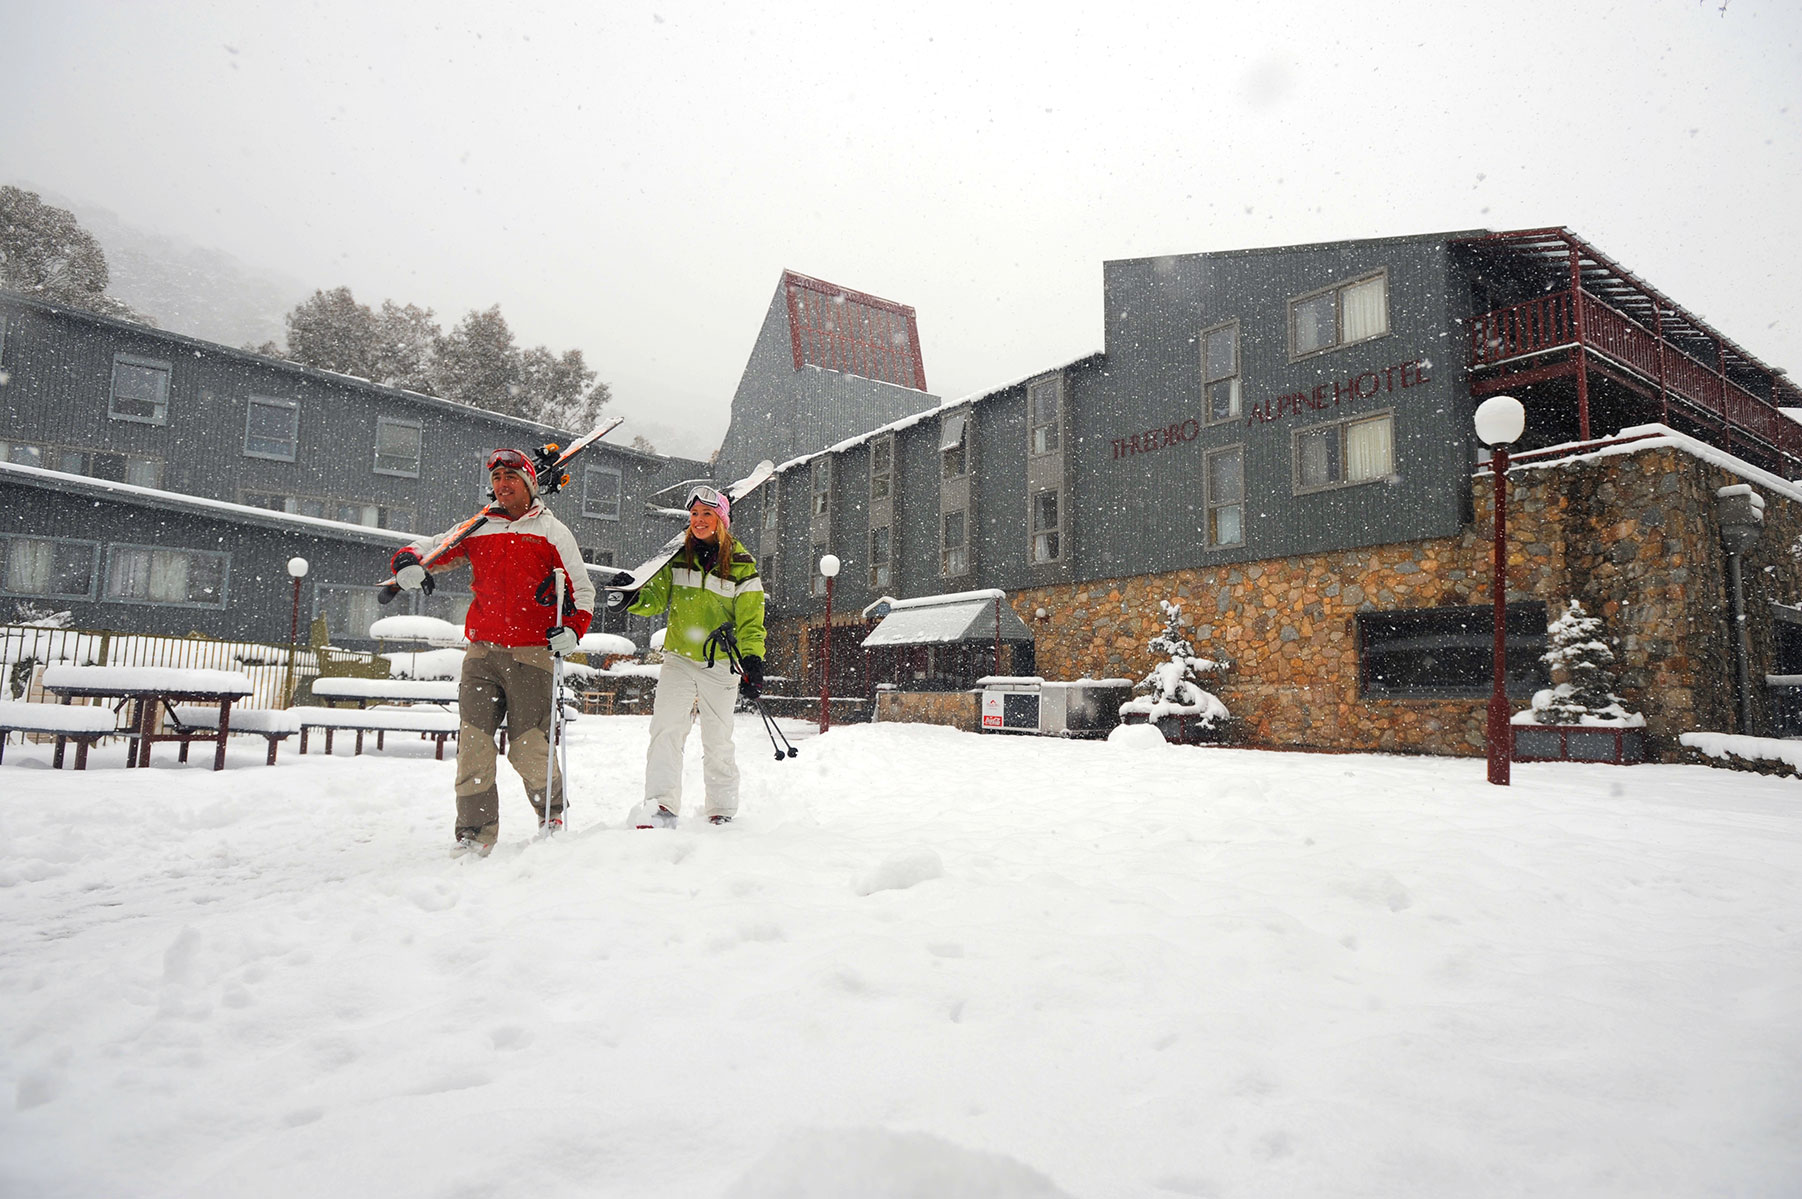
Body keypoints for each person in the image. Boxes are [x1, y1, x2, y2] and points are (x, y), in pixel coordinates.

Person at [390, 447, 594, 856]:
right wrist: (407, 563)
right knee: (474, 744)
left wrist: (572, 629)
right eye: (498, 478)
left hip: (531, 653)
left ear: (529, 485)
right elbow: (428, 548)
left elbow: (583, 591)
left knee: (528, 744)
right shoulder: (478, 526)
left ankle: (550, 811)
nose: (503, 485)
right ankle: (474, 831)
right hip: (482, 651)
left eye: (512, 478)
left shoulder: (553, 532)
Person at [609, 484, 765, 827]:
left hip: (721, 662)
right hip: (679, 657)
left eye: (707, 514)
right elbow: (655, 598)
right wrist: (632, 594)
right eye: (694, 514)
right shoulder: (678, 557)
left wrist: (752, 660)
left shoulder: (741, 564)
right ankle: (660, 805)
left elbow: (752, 620)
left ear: (721, 520)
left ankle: (721, 808)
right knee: (665, 729)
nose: (698, 520)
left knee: (717, 736)